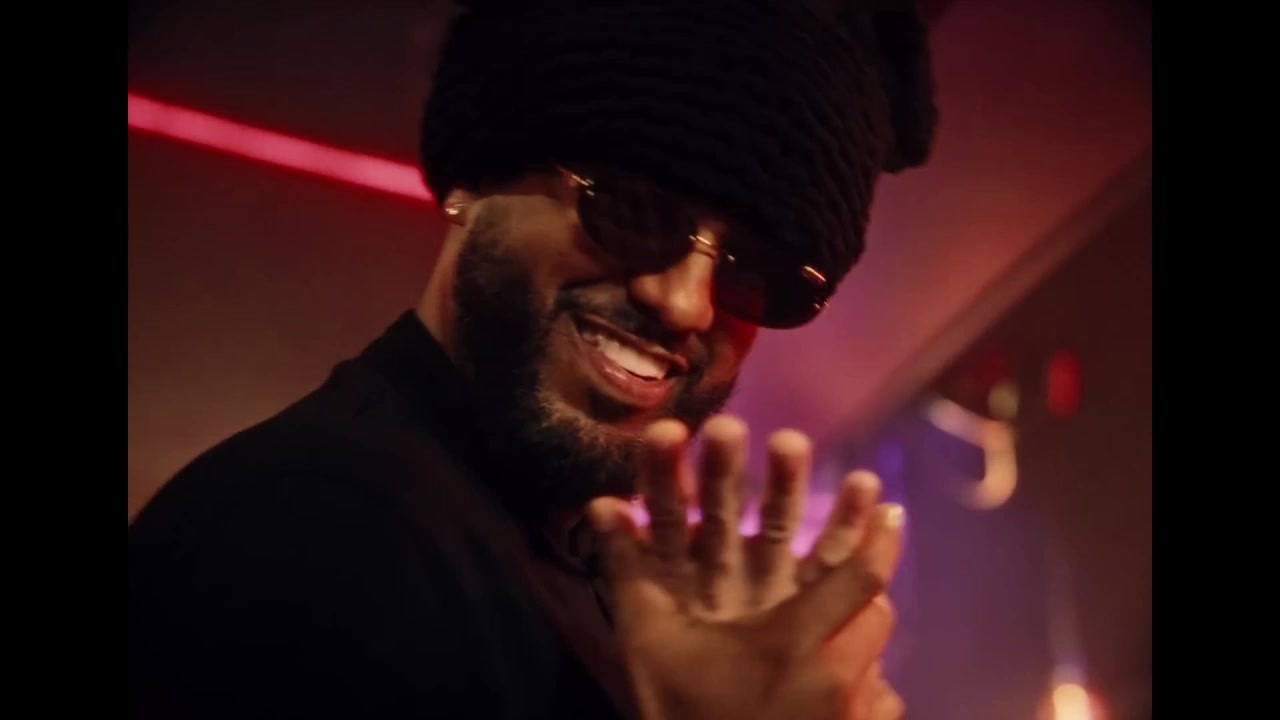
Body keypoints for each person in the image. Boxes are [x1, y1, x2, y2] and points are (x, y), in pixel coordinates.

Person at [127, 0, 939, 718]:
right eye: (633, 209)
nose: (686, 303)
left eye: (757, 272)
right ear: (475, 177)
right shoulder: (314, 535)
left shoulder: (587, 574)